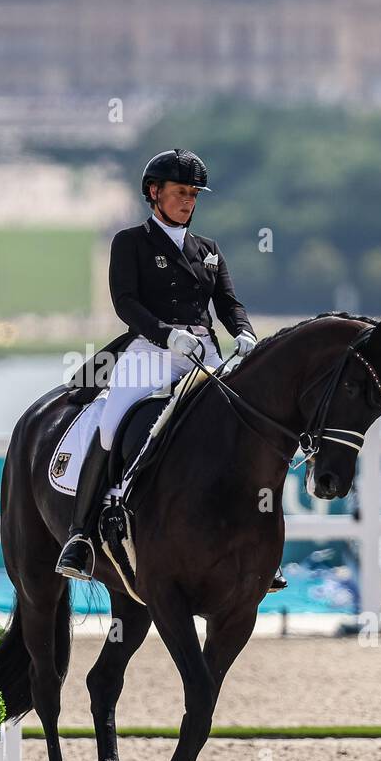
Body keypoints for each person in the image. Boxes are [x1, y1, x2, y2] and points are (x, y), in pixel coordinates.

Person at [55, 148, 287, 593]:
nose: (188, 201)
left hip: (202, 353)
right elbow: (125, 303)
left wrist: (244, 332)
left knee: (246, 429)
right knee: (110, 425)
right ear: (154, 193)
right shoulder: (130, 243)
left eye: (194, 193)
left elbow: (228, 303)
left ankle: (260, 545)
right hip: (148, 351)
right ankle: (81, 536)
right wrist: (165, 334)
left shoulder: (209, 250)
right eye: (181, 192)